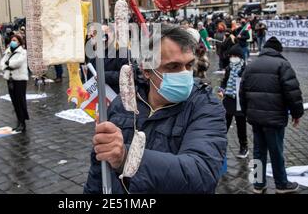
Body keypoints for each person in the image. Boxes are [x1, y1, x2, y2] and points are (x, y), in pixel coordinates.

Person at [84, 26, 227, 194]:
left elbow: (201, 174)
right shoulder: (122, 103)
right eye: (173, 67)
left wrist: (127, 158)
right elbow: (99, 169)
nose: (184, 74)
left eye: (188, 65)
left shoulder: (206, 105)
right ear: (146, 70)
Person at [240, 37, 304, 194]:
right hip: (274, 119)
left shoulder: (251, 65)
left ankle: (258, 184)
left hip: (256, 118)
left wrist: (247, 112)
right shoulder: (283, 64)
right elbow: (292, 93)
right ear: (278, 51)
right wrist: (297, 113)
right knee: (276, 152)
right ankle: (282, 184)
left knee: (258, 152)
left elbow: (242, 93)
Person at [219, 44, 248, 159]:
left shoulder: (245, 69)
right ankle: (219, 146)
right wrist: (222, 90)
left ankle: (244, 147)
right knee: (224, 125)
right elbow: (224, 81)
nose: (233, 58)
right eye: (232, 56)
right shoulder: (229, 67)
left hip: (240, 101)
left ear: (240, 57)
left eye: (235, 56)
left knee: (241, 126)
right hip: (229, 99)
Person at [1, 35, 29, 133]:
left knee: (20, 100)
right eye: (12, 40)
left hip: (20, 79)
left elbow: (18, 63)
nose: (12, 42)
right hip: (10, 79)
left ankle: (23, 123)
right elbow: (2, 63)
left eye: (14, 40)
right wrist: (8, 64)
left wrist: (8, 64)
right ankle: (19, 121)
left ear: (19, 42)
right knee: (14, 101)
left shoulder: (23, 52)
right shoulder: (8, 51)